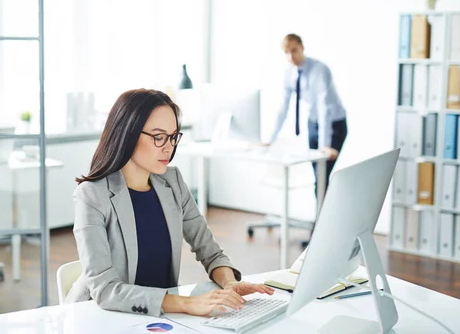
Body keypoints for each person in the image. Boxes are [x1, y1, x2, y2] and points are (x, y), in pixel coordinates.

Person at [66, 89, 274, 316]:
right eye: (158, 137)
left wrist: (229, 282)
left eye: (173, 136)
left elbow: (211, 252)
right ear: (128, 134)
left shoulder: (172, 181)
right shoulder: (92, 195)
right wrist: (185, 303)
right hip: (98, 317)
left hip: (157, 319)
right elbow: (106, 291)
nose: (169, 147)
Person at [269, 33, 348, 196]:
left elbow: (323, 107)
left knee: (322, 174)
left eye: (294, 50)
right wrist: (270, 139)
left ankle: (322, 220)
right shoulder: (289, 74)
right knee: (318, 176)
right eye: (286, 52)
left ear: (302, 48)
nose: (291, 56)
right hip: (312, 123)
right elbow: (283, 108)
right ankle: (321, 219)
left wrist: (324, 145)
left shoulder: (320, 70)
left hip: (334, 125)